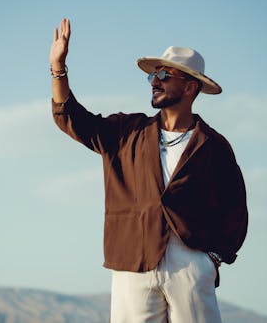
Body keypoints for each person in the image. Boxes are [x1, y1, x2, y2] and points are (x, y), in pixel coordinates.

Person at [50, 18, 248, 323]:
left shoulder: (213, 146)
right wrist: (58, 69)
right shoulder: (126, 131)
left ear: (189, 85)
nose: (155, 81)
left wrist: (211, 259)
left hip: (191, 264)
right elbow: (73, 120)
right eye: (154, 75)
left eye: (165, 75)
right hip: (133, 259)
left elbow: (235, 210)